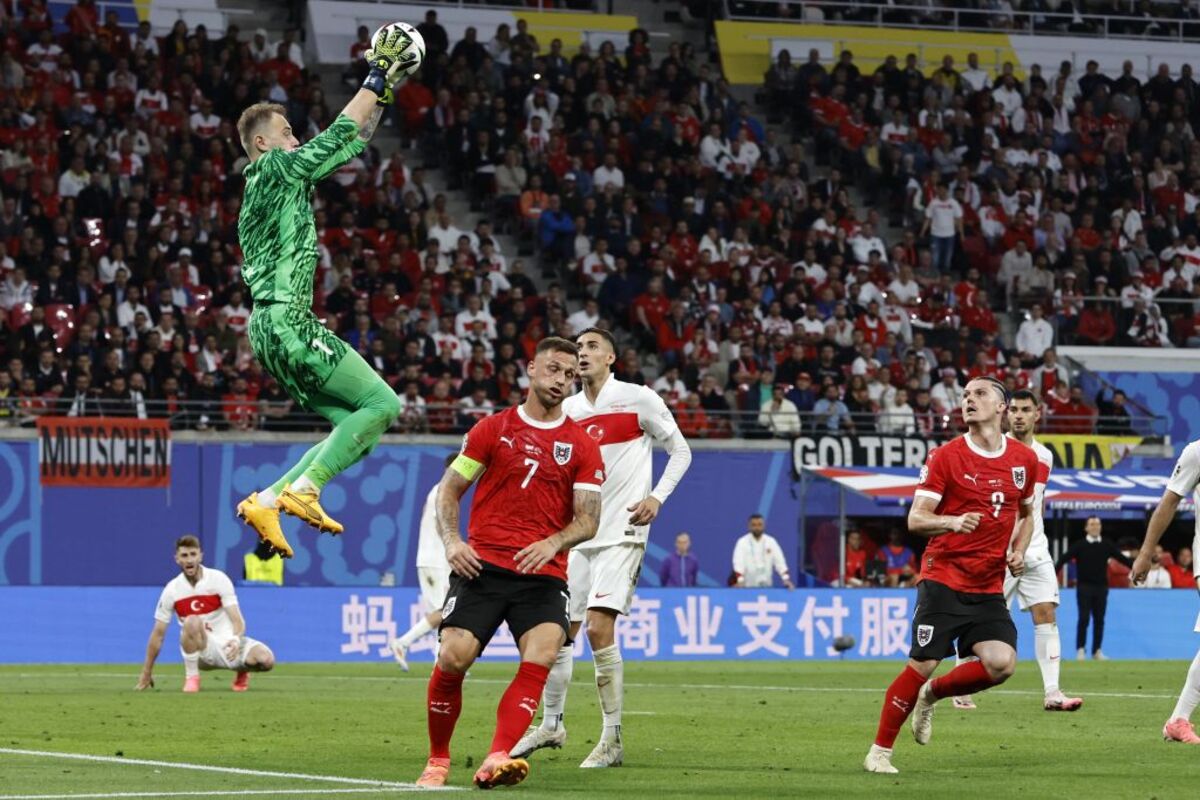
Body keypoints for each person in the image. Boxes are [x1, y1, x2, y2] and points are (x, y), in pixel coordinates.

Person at [233, 35, 416, 557]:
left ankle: (269, 499)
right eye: (287, 132)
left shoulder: (283, 181)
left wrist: (385, 92)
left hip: (269, 327)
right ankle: (306, 489)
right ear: (263, 144)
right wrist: (376, 74)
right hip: (287, 321)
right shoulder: (270, 169)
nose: (296, 140)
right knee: (383, 402)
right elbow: (337, 131)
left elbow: (349, 139)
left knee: (353, 423)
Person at [415, 337, 605, 790]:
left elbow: (589, 520)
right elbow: (449, 490)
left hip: (543, 576)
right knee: (452, 658)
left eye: (569, 375)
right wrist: (452, 541)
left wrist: (554, 542)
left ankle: (497, 754)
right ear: (531, 369)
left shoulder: (580, 445)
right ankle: (438, 759)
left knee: (540, 654)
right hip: (482, 568)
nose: (561, 380)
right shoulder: (491, 429)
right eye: (553, 369)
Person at [514, 327, 692, 768]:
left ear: (612, 357)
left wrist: (657, 498)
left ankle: (612, 738)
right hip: (578, 536)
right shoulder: (568, 410)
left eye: (592, 346)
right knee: (555, 634)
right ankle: (552, 723)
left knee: (597, 628)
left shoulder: (639, 399)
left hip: (623, 532)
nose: (584, 353)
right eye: (579, 348)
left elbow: (681, 450)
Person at [864, 377, 1039, 775]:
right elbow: (916, 518)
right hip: (944, 576)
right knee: (922, 662)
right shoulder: (945, 456)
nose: (969, 400)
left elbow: (1028, 514)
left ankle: (932, 696)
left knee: (1001, 664)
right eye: (965, 395)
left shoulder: (1024, 461)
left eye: (980, 394)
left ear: (1002, 407)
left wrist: (1018, 550)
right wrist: (953, 522)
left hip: (988, 583)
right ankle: (879, 752)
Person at [952, 390, 1082, 711]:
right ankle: (959, 683)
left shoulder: (1045, 456)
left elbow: (1031, 506)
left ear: (1038, 414)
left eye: (1026, 410)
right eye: (1015, 410)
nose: (1019, 415)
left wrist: (1025, 546)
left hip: (1034, 548)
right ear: (1006, 414)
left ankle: (1052, 693)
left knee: (1046, 614)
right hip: (999, 552)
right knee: (981, 618)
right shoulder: (995, 451)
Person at [135, 535, 275, 693]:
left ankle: (242, 671)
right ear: (177, 559)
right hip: (201, 650)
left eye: (193, 554)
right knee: (192, 621)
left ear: (201, 555)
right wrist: (147, 672)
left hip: (229, 646)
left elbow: (238, 621)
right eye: (184, 555)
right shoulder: (172, 590)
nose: (189, 560)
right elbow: (158, 634)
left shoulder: (218, 579)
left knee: (266, 660)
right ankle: (192, 677)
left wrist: (235, 640)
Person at [1131, 437, 1200, 742]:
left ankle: (1178, 720)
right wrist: (1145, 553)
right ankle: (1179, 719)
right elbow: (1168, 502)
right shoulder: (1196, 451)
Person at [390, 454, 458, 671]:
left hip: (433, 559)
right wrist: (454, 548)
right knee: (446, 611)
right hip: (435, 560)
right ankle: (402, 643)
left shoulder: (442, 490)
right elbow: (442, 526)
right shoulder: (442, 491)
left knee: (444, 615)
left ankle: (440, 663)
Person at [1055, 517, 1131, 660]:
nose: (1095, 526)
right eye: (1092, 524)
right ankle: (1081, 650)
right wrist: (1052, 576)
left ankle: (1097, 651)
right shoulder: (1080, 545)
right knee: (1083, 619)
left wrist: (1137, 568)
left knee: (1099, 620)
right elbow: (1063, 559)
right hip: (1084, 587)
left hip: (1102, 588)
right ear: (1086, 528)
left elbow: (1122, 559)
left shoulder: (1106, 544)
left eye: (1097, 524)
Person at [732, 514, 795, 588]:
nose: (757, 528)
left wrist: (786, 579)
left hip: (767, 586)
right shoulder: (742, 542)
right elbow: (738, 563)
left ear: (764, 526)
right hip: (747, 587)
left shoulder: (771, 541)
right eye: (754, 525)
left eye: (759, 525)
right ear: (749, 526)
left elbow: (780, 562)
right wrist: (740, 580)